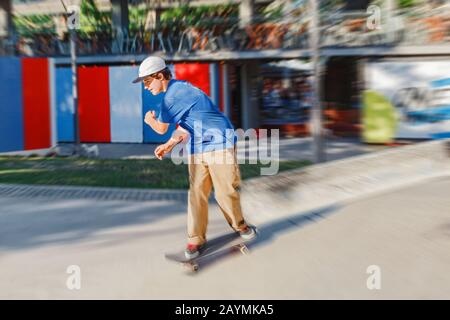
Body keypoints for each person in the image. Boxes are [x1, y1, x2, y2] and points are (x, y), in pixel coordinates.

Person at [133, 56, 256, 259]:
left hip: (220, 143)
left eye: (147, 81)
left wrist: (149, 121)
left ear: (160, 75)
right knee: (196, 193)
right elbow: (184, 126)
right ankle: (195, 239)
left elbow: (162, 127)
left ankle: (240, 225)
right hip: (197, 146)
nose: (146, 87)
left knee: (224, 192)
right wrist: (168, 145)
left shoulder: (174, 95)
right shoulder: (178, 91)